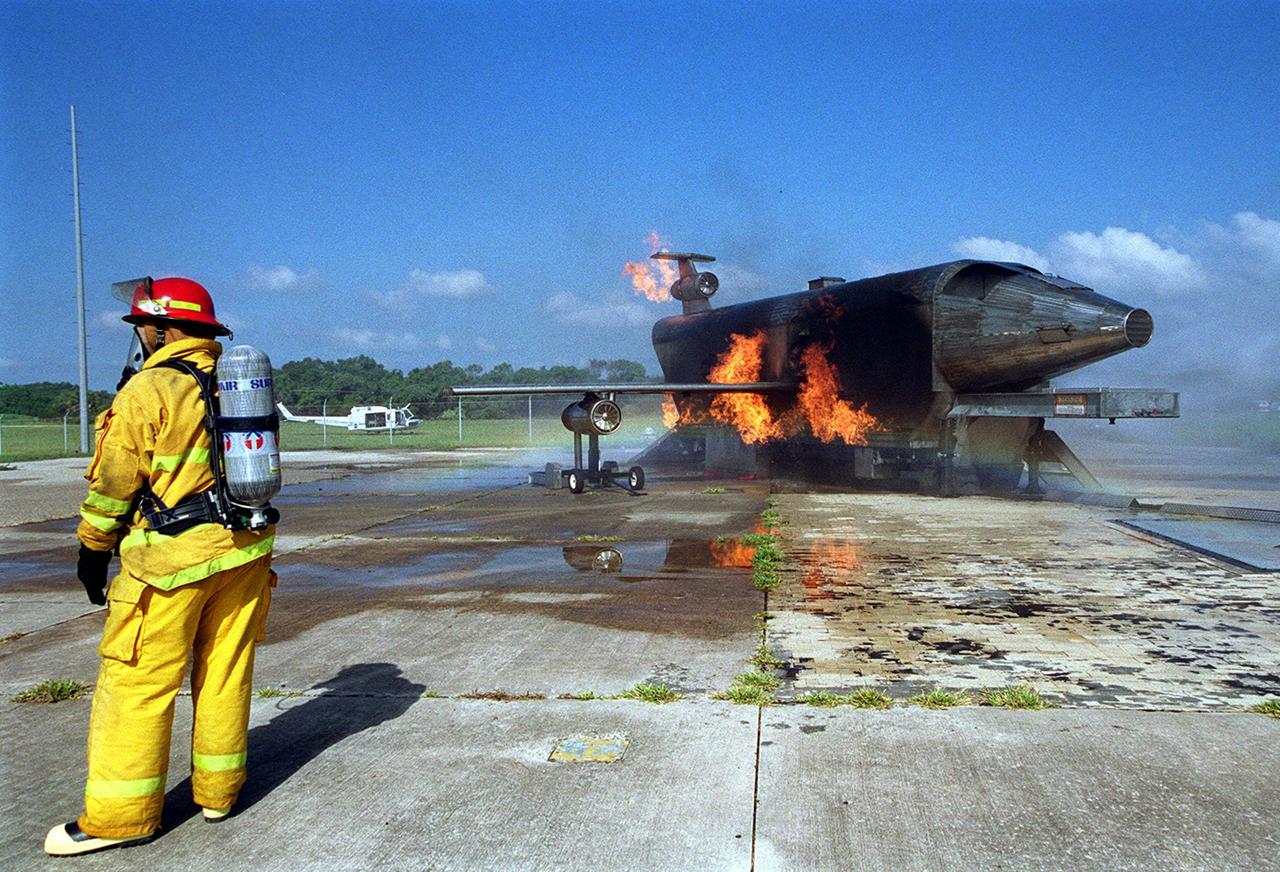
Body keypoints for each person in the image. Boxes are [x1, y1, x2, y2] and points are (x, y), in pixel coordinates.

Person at [45, 277, 277, 856]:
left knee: (136, 685)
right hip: (244, 551)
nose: (141, 339)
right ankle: (219, 793)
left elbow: (114, 483)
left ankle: (119, 819)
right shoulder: (235, 385)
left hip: (172, 562)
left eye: (141, 329)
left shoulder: (149, 390)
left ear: (160, 328)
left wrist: (92, 548)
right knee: (224, 672)